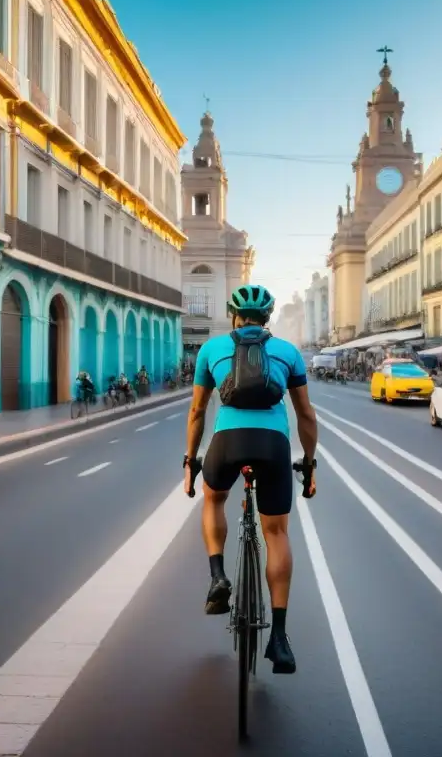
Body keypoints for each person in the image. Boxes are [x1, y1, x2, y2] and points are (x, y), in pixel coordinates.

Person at [182, 284, 318, 675]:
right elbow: (306, 415)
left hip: (227, 443)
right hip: (274, 446)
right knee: (275, 534)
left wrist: (191, 460)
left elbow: (196, 412)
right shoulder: (289, 353)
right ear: (268, 318)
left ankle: (218, 575)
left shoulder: (210, 350)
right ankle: (278, 638)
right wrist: (309, 463)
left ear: (233, 317)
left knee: (214, 499)